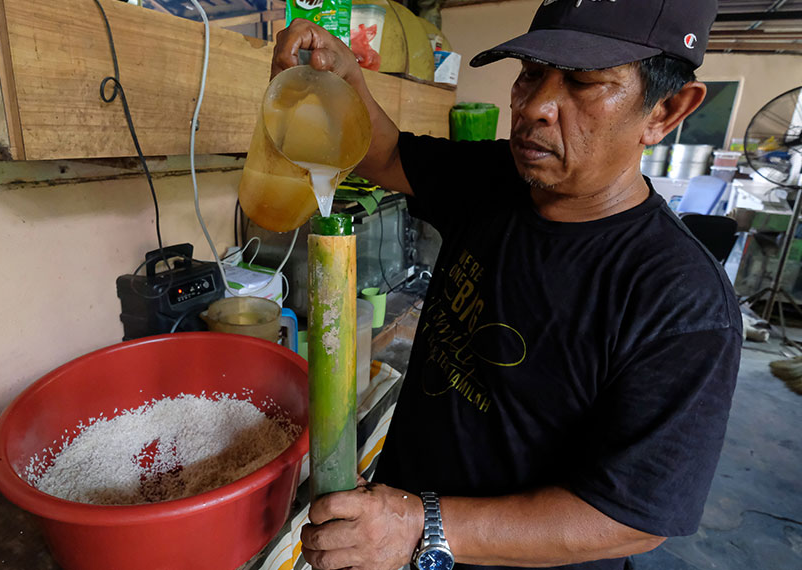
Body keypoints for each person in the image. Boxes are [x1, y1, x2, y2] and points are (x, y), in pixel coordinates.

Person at [271, 1, 742, 569]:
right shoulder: (499, 180)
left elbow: (630, 517)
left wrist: (422, 524)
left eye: (584, 83)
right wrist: (346, 79)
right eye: (531, 74)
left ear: (665, 111)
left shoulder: (681, 300)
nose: (535, 106)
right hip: (394, 534)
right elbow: (386, 154)